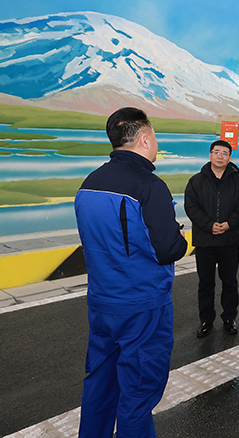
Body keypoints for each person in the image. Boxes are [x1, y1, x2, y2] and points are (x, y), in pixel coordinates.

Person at [74, 107, 187, 438]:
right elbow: (168, 248)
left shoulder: (89, 184)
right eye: (155, 137)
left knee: (99, 386)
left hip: (101, 303)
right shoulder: (149, 186)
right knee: (137, 395)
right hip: (142, 306)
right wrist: (178, 236)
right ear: (144, 139)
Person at [184, 140, 239, 338]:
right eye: (216, 152)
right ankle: (206, 319)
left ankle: (229, 318)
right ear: (210, 155)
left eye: (224, 153)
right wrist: (209, 225)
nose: (220, 156)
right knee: (205, 283)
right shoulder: (196, 181)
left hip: (229, 240)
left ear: (229, 158)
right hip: (205, 240)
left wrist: (229, 224)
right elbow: (191, 207)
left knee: (229, 281)